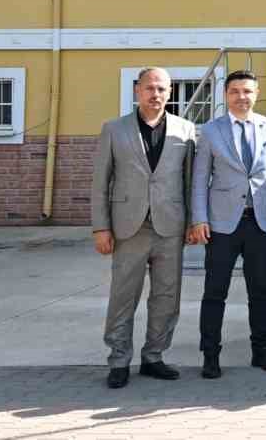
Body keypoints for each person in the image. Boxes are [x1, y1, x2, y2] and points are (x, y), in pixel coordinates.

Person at [91, 67, 197, 388]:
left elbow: (190, 181)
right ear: (137, 90)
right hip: (128, 227)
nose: (156, 94)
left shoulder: (186, 129)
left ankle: (154, 356)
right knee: (123, 296)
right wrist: (101, 227)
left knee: (167, 296)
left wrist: (192, 223)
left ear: (170, 93)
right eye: (149, 88)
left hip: (170, 226)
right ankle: (119, 359)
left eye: (162, 89)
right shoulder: (114, 129)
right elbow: (100, 182)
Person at [189, 69, 266, 379]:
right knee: (214, 291)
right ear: (226, 95)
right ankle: (210, 354)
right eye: (235, 91)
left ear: (256, 94)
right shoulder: (210, 130)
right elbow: (199, 178)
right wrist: (200, 218)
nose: (241, 96)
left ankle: (261, 350)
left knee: (260, 291)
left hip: (260, 222)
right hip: (221, 224)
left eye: (247, 91)